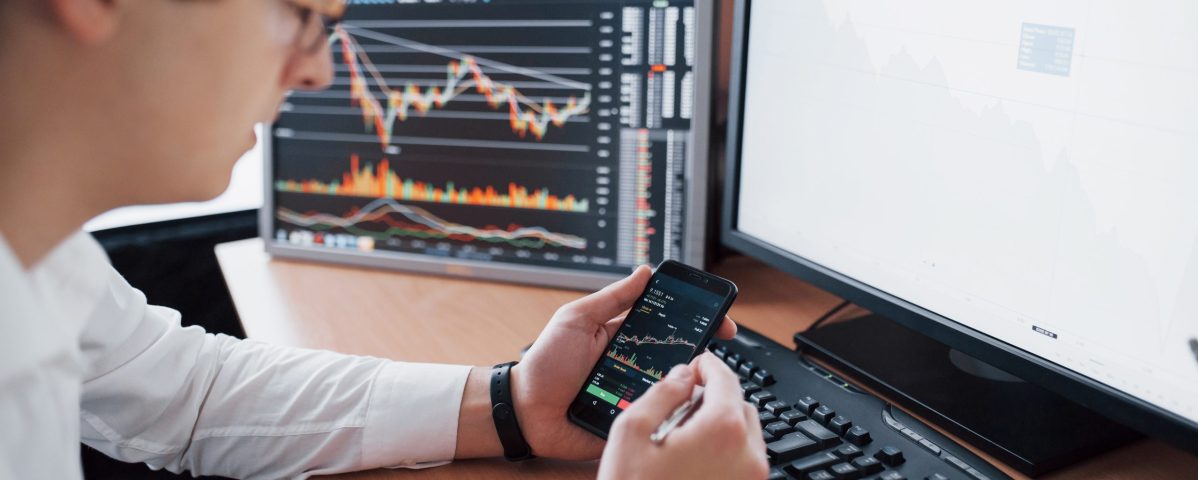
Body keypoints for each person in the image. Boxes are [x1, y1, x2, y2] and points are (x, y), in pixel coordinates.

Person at [0, 0, 768, 478]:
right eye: (301, 13)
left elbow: (185, 397)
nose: (317, 72)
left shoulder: (41, 250)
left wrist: (510, 404)